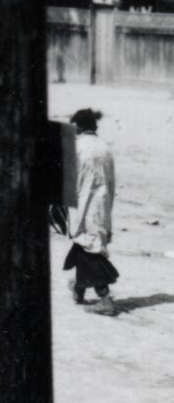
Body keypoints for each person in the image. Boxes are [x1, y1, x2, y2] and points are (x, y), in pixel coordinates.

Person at [64, 108, 119, 315]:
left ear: (78, 126)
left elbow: (71, 181)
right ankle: (79, 289)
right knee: (85, 245)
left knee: (89, 250)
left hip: (84, 204)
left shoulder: (76, 147)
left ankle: (106, 299)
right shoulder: (105, 148)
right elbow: (111, 182)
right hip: (102, 205)